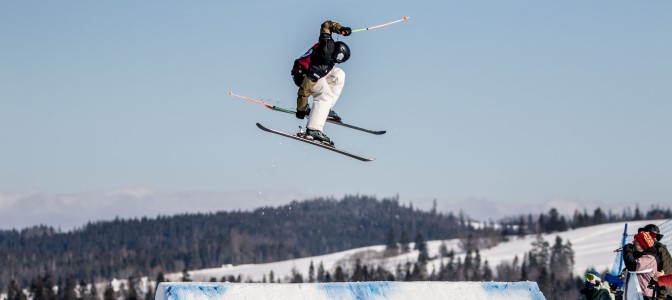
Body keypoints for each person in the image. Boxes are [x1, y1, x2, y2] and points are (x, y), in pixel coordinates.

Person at [291, 20, 352, 145]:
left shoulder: (328, 43)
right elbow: (305, 89)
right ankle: (313, 129)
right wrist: (301, 109)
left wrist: (341, 29)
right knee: (325, 96)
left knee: (339, 75)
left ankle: (325, 109)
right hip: (303, 75)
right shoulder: (321, 64)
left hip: (307, 69)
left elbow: (326, 25)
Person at [639, 224, 672, 300]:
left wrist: (662, 296)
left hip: (660, 293)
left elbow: (667, 270)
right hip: (645, 291)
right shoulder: (642, 251)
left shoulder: (660, 249)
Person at [623, 230, 660, 300]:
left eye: (636, 240)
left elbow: (632, 266)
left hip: (643, 297)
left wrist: (627, 250)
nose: (633, 242)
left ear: (642, 244)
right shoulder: (641, 257)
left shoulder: (650, 258)